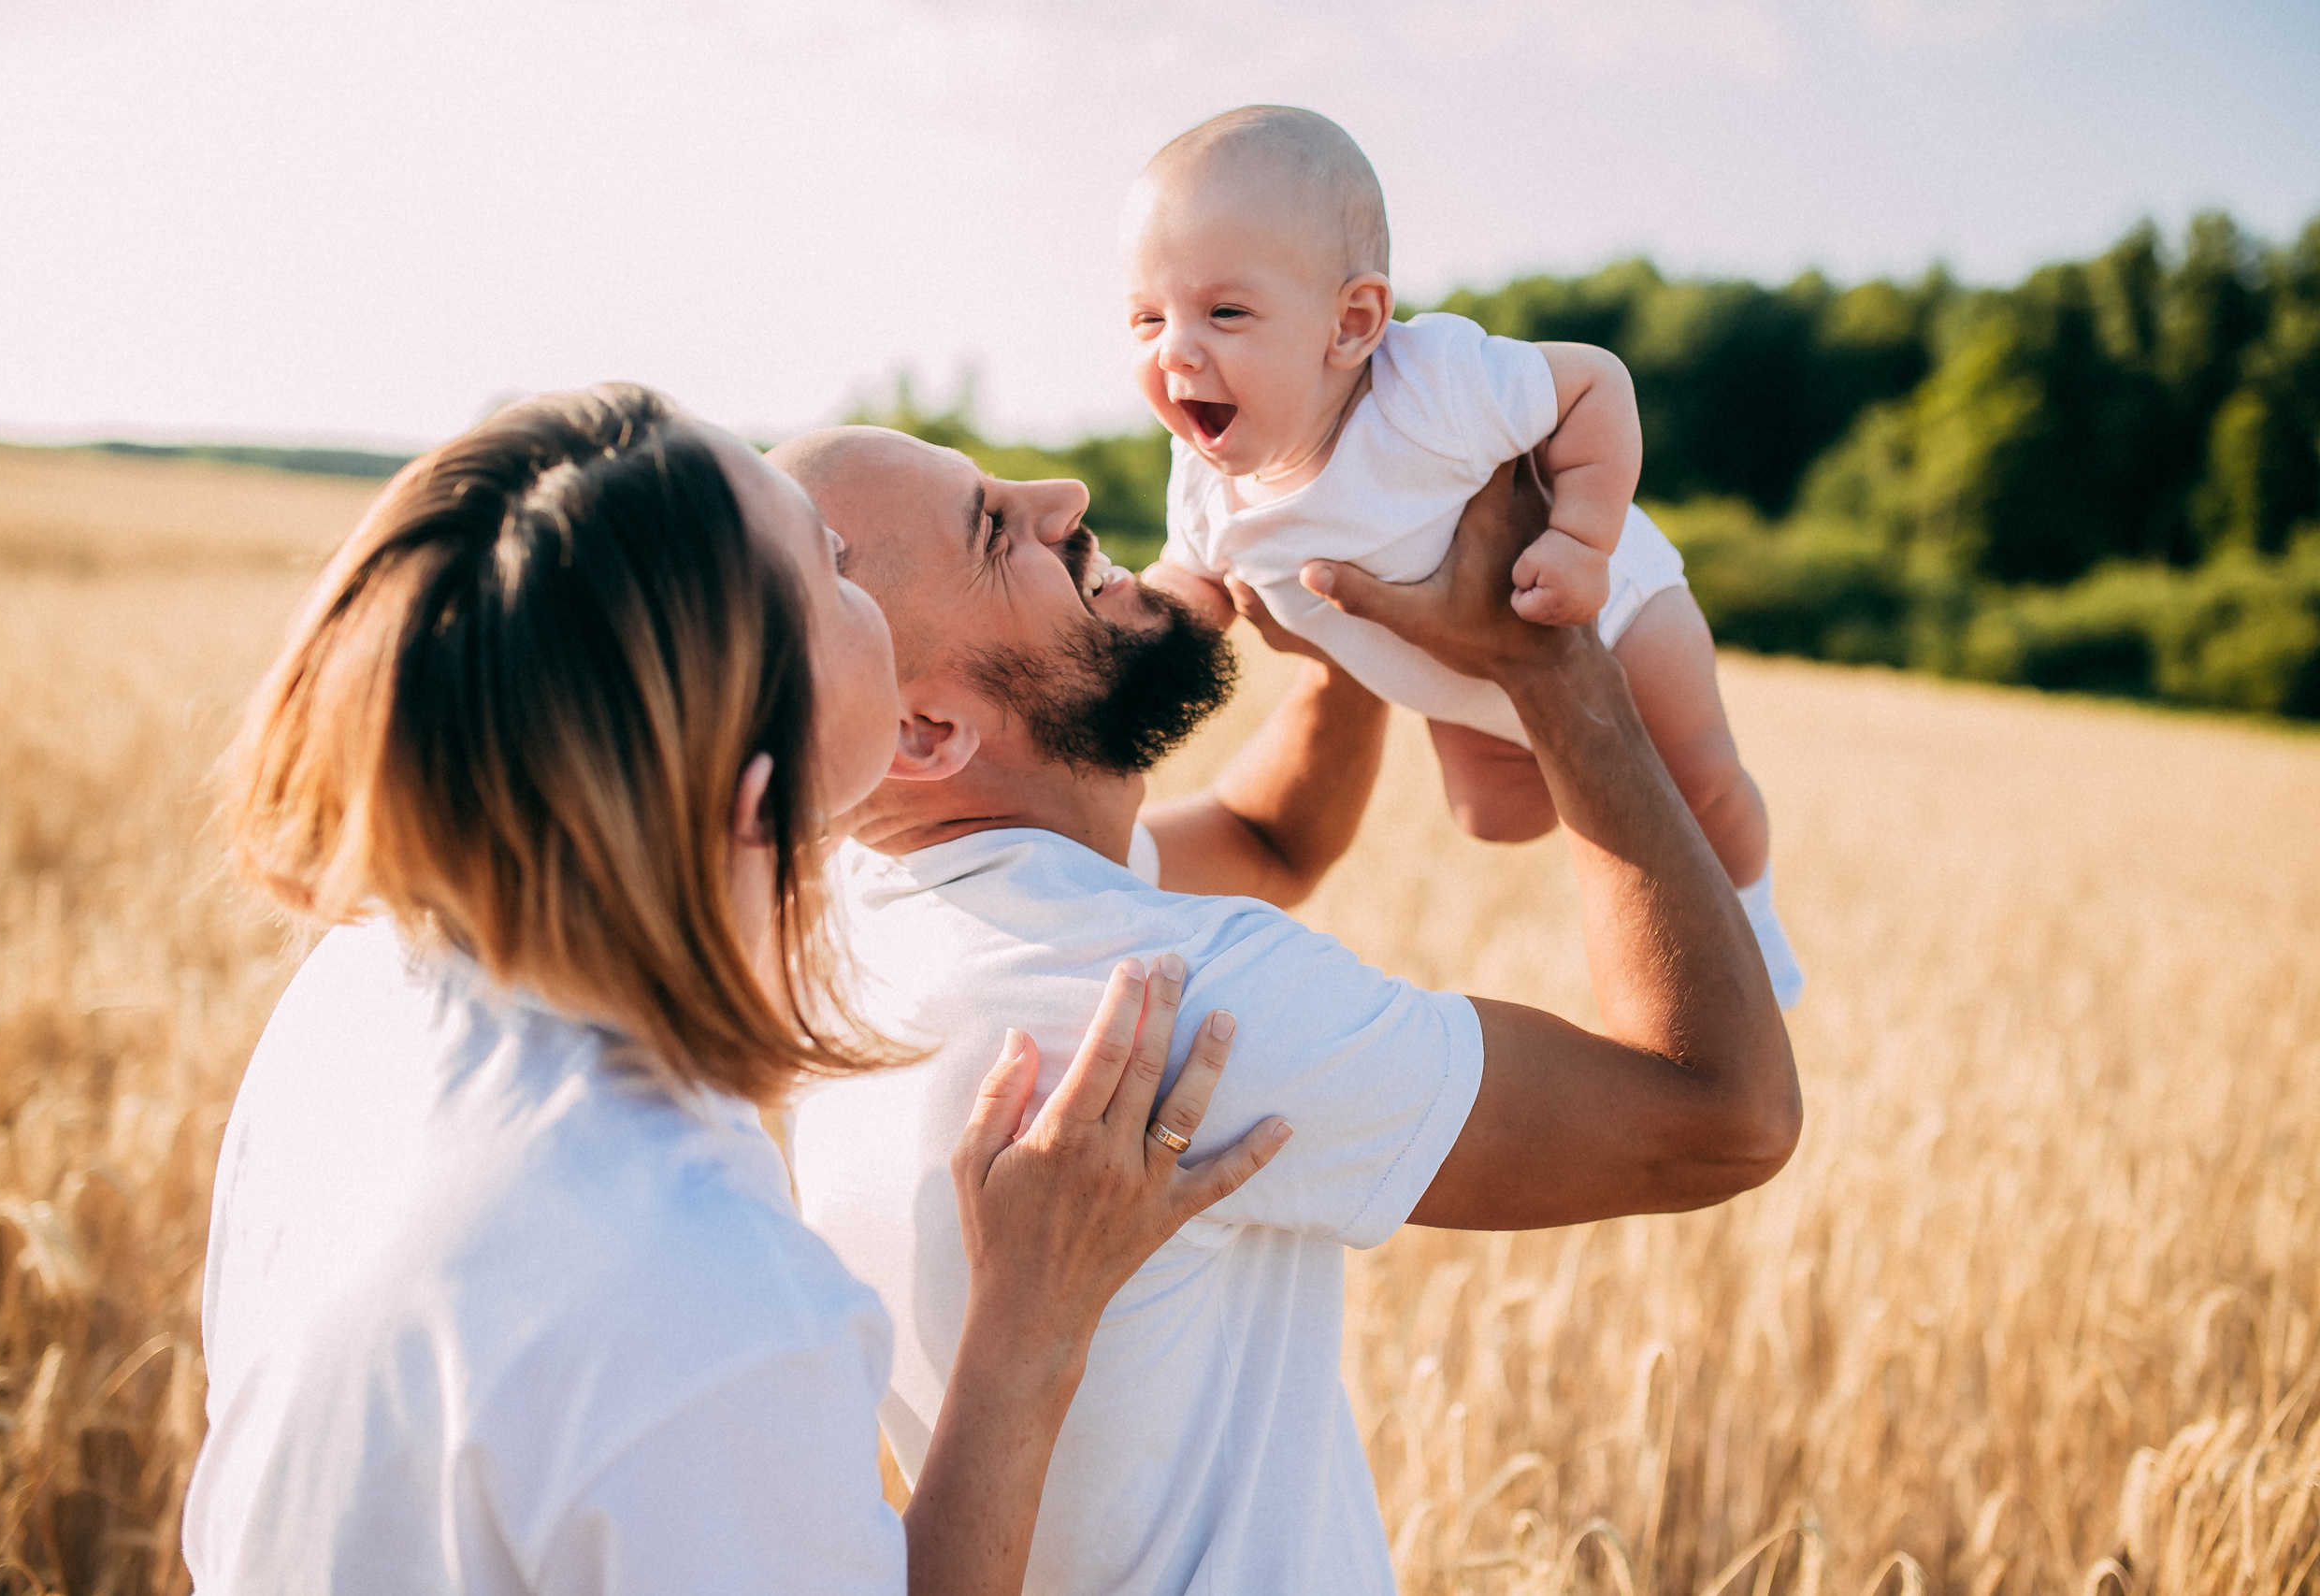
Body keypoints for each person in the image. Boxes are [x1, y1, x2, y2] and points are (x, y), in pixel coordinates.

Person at [180, 384, 1291, 1595]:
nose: (860, 576)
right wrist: (1032, 1321)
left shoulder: (362, 989)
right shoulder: (704, 1293)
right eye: (835, 572)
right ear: (758, 786)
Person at [772, 422, 1803, 1595]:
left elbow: (1272, 839)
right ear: (924, 732)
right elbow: (1724, 1114)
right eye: (996, 531)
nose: (1062, 496)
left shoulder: (870, 917)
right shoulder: (1177, 1003)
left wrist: (1331, 611)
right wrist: (1552, 664)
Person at [1128, 105, 1801, 1005]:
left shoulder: (1429, 386)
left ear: (1352, 323)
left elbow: (1597, 385)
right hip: (1457, 680)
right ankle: (1573, 769)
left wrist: (1581, 539)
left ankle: (1751, 920)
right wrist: (1128, 639)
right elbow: (1188, 586)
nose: (1176, 349)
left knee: (1701, 781)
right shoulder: (1207, 484)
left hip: (1619, 612)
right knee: (1489, 815)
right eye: (1145, 319)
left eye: (1225, 311)